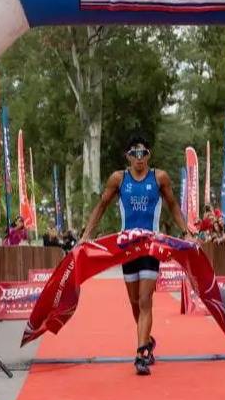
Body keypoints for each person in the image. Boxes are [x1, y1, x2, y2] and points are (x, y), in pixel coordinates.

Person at [80, 135, 189, 376]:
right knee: (134, 303)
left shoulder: (159, 178)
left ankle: (141, 353)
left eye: (143, 153)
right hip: (127, 247)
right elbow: (101, 205)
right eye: (134, 154)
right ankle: (147, 339)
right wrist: (86, 234)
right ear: (127, 156)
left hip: (150, 246)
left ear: (149, 155)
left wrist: (187, 232)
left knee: (145, 298)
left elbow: (172, 205)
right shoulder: (119, 179)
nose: (139, 158)